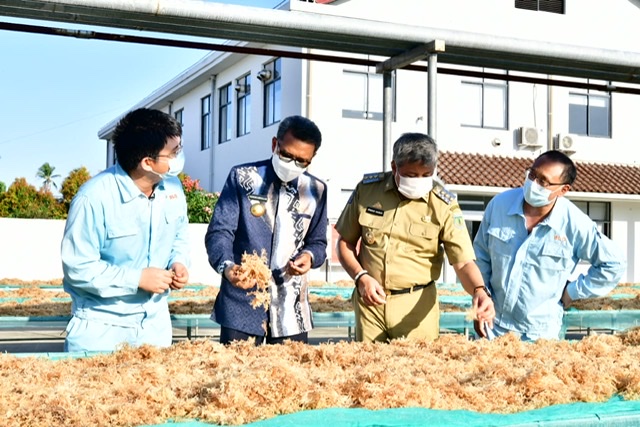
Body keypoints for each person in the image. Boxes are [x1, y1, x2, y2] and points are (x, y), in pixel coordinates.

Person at [334, 132, 495, 343]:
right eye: (411, 175)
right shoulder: (368, 192)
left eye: (426, 174)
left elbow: (463, 262)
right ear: (394, 167)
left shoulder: (443, 204)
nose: (419, 181)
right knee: (369, 372)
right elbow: (345, 243)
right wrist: (360, 277)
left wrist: (479, 291)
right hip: (369, 304)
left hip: (416, 306)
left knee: (416, 372)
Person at [61, 108, 190, 352]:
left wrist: (179, 262)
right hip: (102, 331)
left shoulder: (172, 188)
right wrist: (137, 279)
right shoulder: (94, 198)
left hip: (156, 330)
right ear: (147, 163)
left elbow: (179, 236)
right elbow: (78, 268)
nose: (179, 156)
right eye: (173, 153)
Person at [473, 150, 626, 341]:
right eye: (532, 174)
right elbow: (480, 257)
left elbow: (614, 264)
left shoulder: (575, 223)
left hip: (540, 335)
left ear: (563, 190)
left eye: (543, 181)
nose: (533, 183)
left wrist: (573, 291)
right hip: (492, 325)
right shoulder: (500, 205)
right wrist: (480, 294)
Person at [205, 115, 328, 345]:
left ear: (311, 159)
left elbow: (318, 242)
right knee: (235, 376)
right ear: (275, 145)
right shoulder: (242, 179)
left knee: (285, 378)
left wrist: (309, 257)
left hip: (291, 310)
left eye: (302, 161)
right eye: (287, 155)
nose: (293, 164)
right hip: (242, 305)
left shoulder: (316, 190)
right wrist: (227, 266)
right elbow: (219, 232)